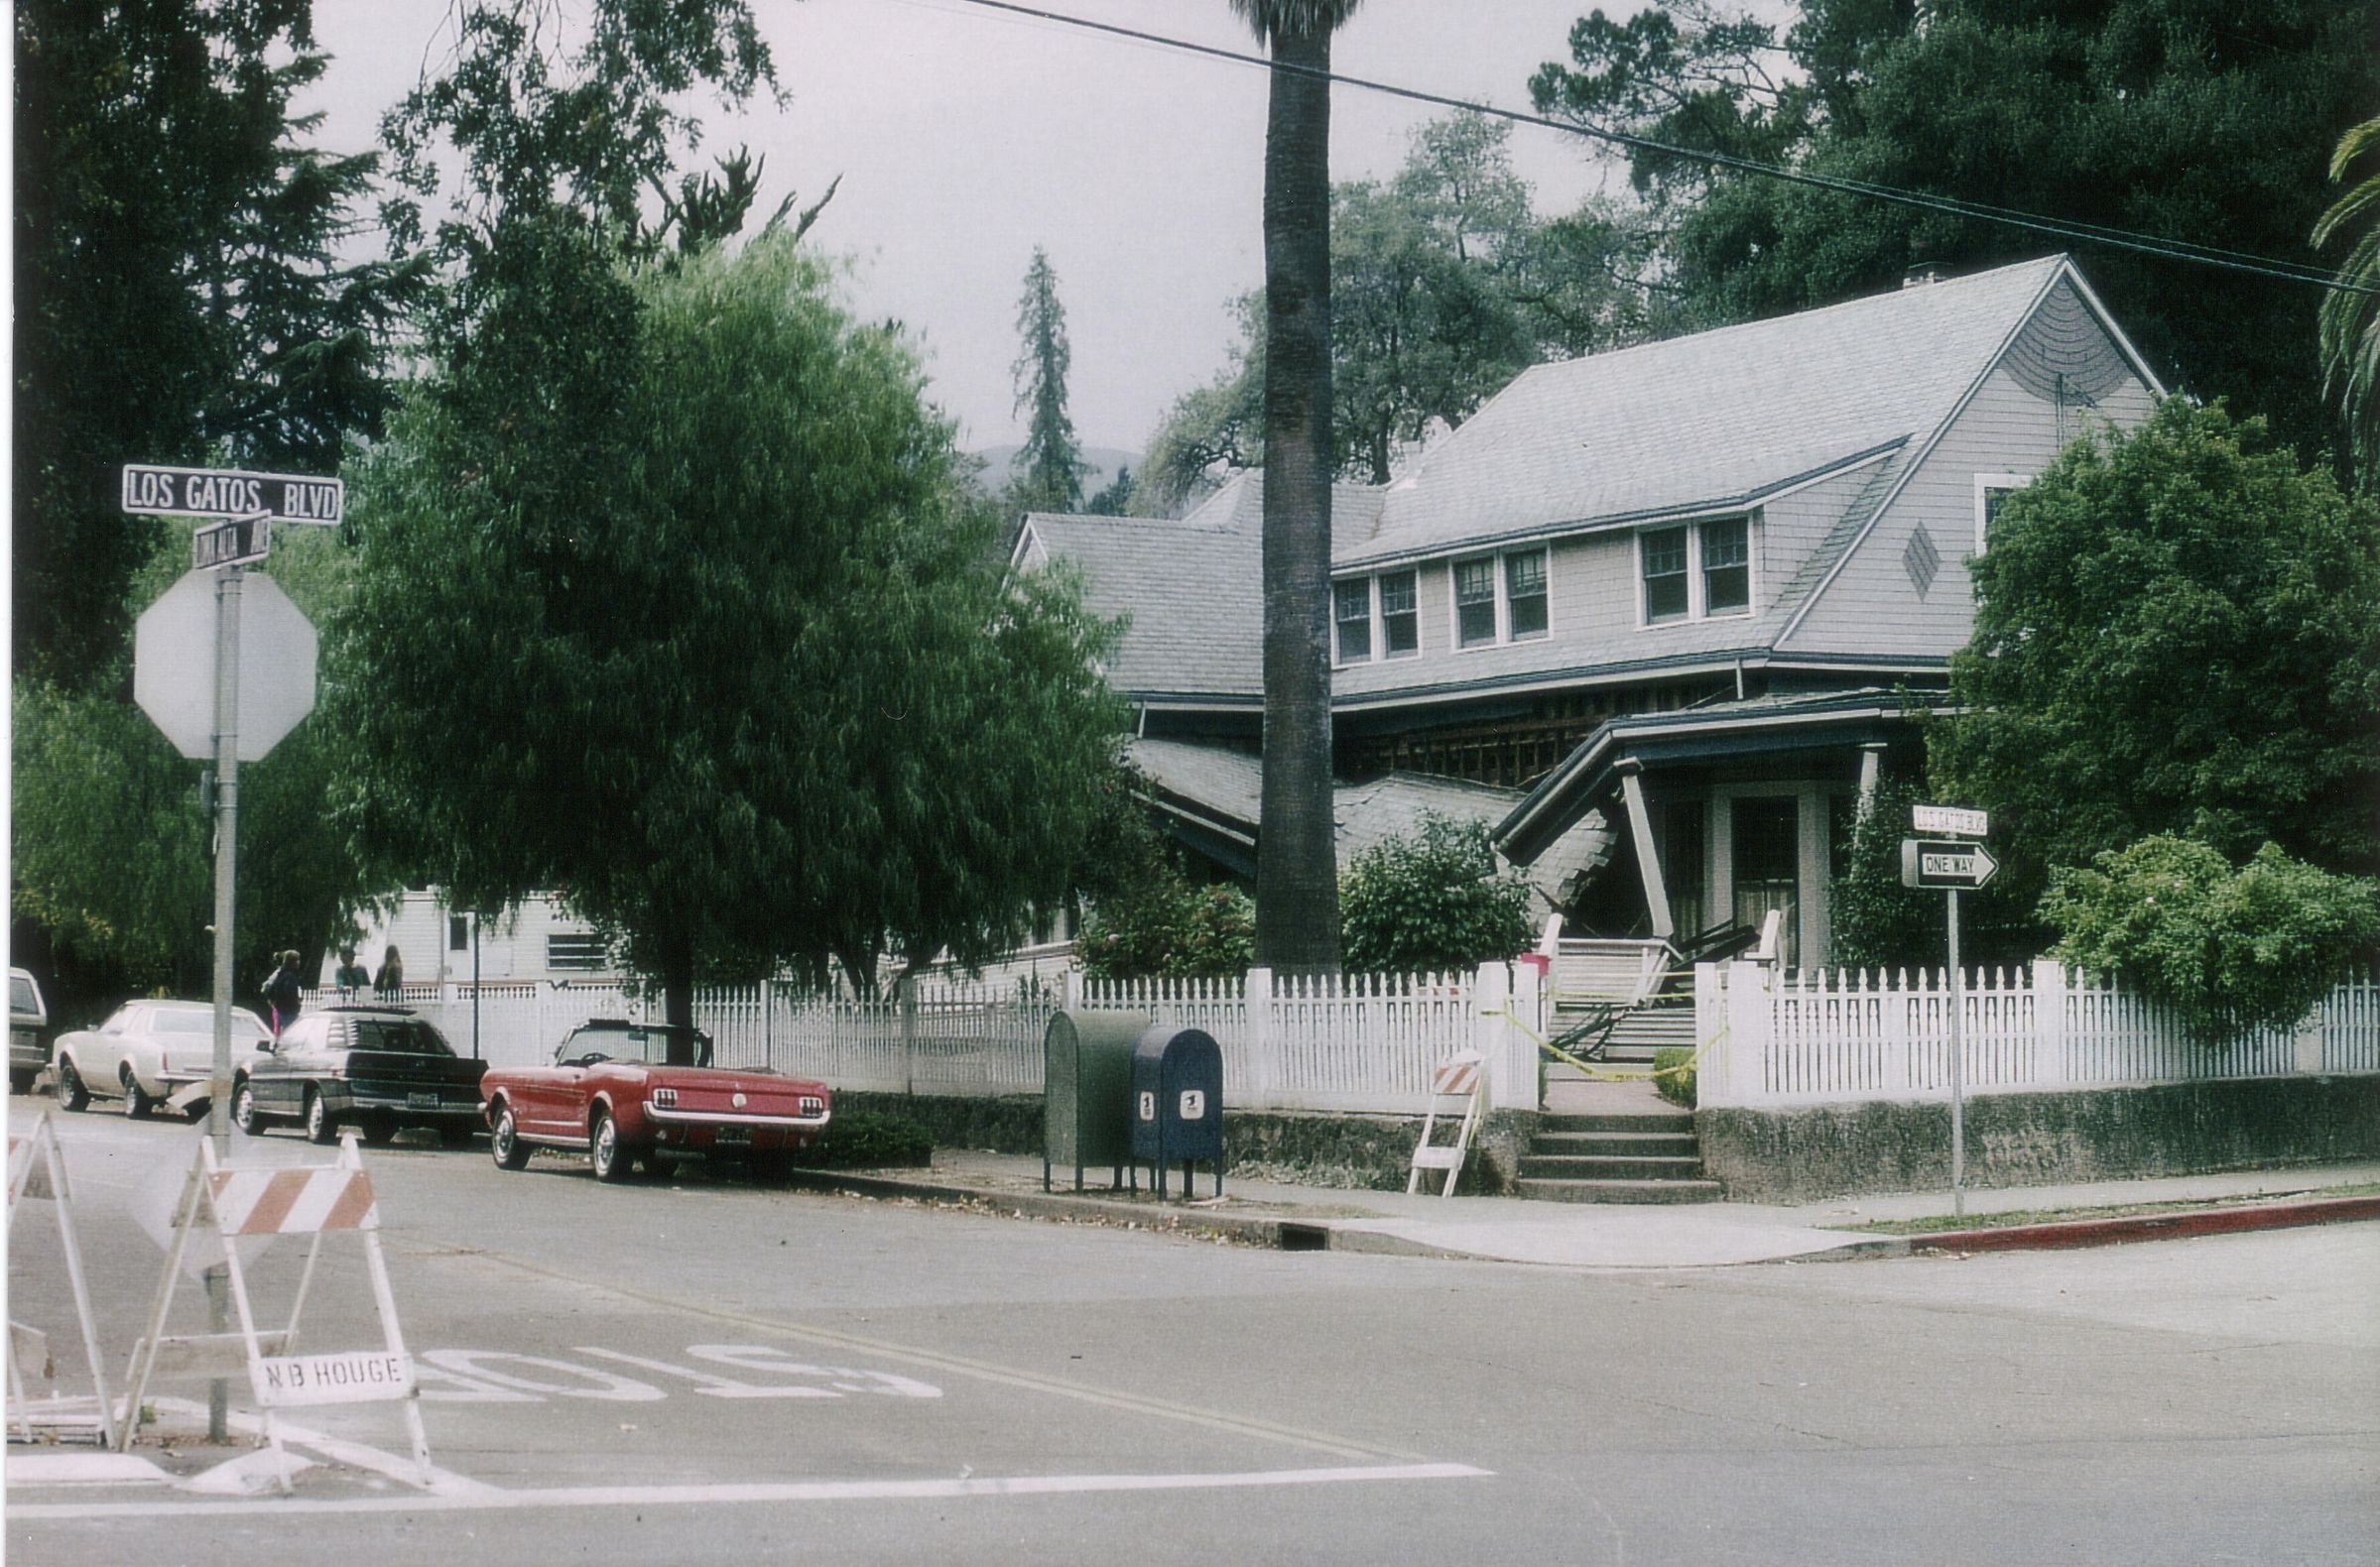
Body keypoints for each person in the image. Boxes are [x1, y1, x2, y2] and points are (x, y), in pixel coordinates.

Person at [262, 950, 304, 1039]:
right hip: (289, 1011)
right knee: (290, 1035)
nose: (299, 963)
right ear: (292, 962)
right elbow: (290, 992)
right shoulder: (291, 976)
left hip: (278, 1010)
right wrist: (297, 1002)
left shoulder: (279, 974)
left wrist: (274, 1003)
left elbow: (270, 990)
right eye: (297, 960)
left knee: (278, 1035)